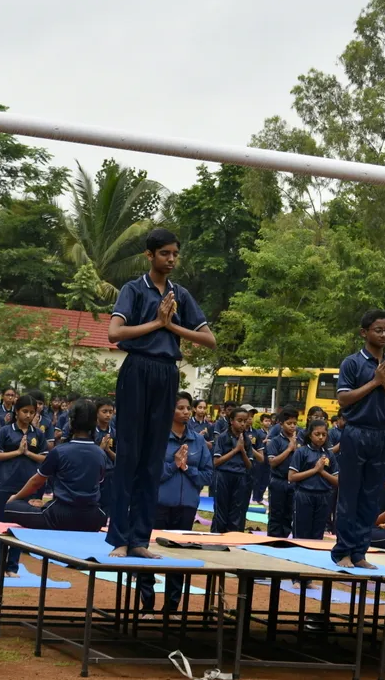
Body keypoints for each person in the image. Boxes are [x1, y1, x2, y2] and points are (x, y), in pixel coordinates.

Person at [106, 228, 216, 558]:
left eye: (175, 254)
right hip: (137, 368)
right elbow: (114, 333)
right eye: (165, 253)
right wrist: (156, 323)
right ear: (149, 255)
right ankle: (120, 538)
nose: (171, 259)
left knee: (154, 459)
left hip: (167, 372)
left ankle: (140, 539)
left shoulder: (180, 294)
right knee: (129, 455)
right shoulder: (133, 289)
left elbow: (209, 339)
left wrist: (171, 326)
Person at [332, 309, 385, 569]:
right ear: (364, 332)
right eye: (378, 330)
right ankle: (343, 551)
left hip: (382, 434)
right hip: (356, 431)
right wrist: (375, 382)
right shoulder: (352, 363)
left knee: (370, 496)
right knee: (349, 494)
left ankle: (360, 552)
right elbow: (343, 399)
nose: (384, 334)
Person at [134, 392, 214, 616]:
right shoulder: (157, 439)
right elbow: (149, 474)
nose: (186, 412)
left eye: (188, 408)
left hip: (186, 507)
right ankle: (147, 605)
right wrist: (173, 465)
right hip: (157, 505)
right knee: (150, 553)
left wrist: (186, 468)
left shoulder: (198, 441)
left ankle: (172, 607)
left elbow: (208, 476)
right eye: (180, 408)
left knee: (179, 557)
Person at [5, 399, 107, 532]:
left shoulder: (60, 451)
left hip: (60, 516)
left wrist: (14, 498)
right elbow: (98, 482)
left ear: (71, 421)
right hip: (92, 518)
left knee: (11, 507)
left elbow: (36, 482)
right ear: (95, 423)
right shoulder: (100, 453)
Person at [0, 394, 46, 576]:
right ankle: (0, 566)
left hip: (28, 486)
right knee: (2, 526)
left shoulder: (38, 434)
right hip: (6, 484)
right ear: (16, 412)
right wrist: (17, 452)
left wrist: (28, 453)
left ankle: (13, 566)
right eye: (25, 411)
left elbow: (45, 458)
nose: (28, 415)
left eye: (32, 412)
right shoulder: (5, 431)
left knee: (20, 527)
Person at [289, 419, 339, 540]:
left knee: (318, 533)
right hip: (304, 494)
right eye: (317, 434)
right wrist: (315, 470)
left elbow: (337, 481)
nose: (321, 437)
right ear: (310, 435)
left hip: (324, 496)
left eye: (324, 434)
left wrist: (322, 472)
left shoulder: (329, 454)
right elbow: (291, 476)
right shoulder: (301, 452)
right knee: (302, 531)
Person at [211, 406, 255, 533]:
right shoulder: (222, 437)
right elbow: (216, 462)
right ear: (231, 421)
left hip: (240, 477)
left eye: (245, 421)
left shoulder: (247, 440)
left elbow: (249, 465)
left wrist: (242, 451)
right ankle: (217, 535)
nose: (243, 424)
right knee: (221, 510)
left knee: (236, 511)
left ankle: (232, 537)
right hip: (223, 476)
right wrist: (235, 450)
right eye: (239, 420)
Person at [265, 407, 299, 538]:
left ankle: (285, 537)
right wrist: (289, 449)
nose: (292, 426)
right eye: (289, 423)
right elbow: (272, 462)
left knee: (289, 513)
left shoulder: (300, 441)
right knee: (276, 513)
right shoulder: (275, 441)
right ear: (281, 424)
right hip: (279, 481)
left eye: (294, 423)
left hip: (294, 482)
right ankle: (273, 538)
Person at [93, 397, 116, 517]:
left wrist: (108, 450)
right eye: (104, 411)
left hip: (110, 473)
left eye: (110, 412)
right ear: (96, 412)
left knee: (108, 505)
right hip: (94, 472)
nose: (108, 415)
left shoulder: (115, 432)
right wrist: (101, 448)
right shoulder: (91, 431)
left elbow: (118, 458)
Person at [250, 412, 270, 504]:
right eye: (266, 421)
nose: (268, 423)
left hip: (269, 457)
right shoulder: (258, 432)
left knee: (266, 478)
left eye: (269, 421)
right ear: (261, 422)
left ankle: (260, 497)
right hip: (260, 457)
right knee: (258, 477)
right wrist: (264, 441)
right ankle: (255, 497)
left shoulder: (271, 432)